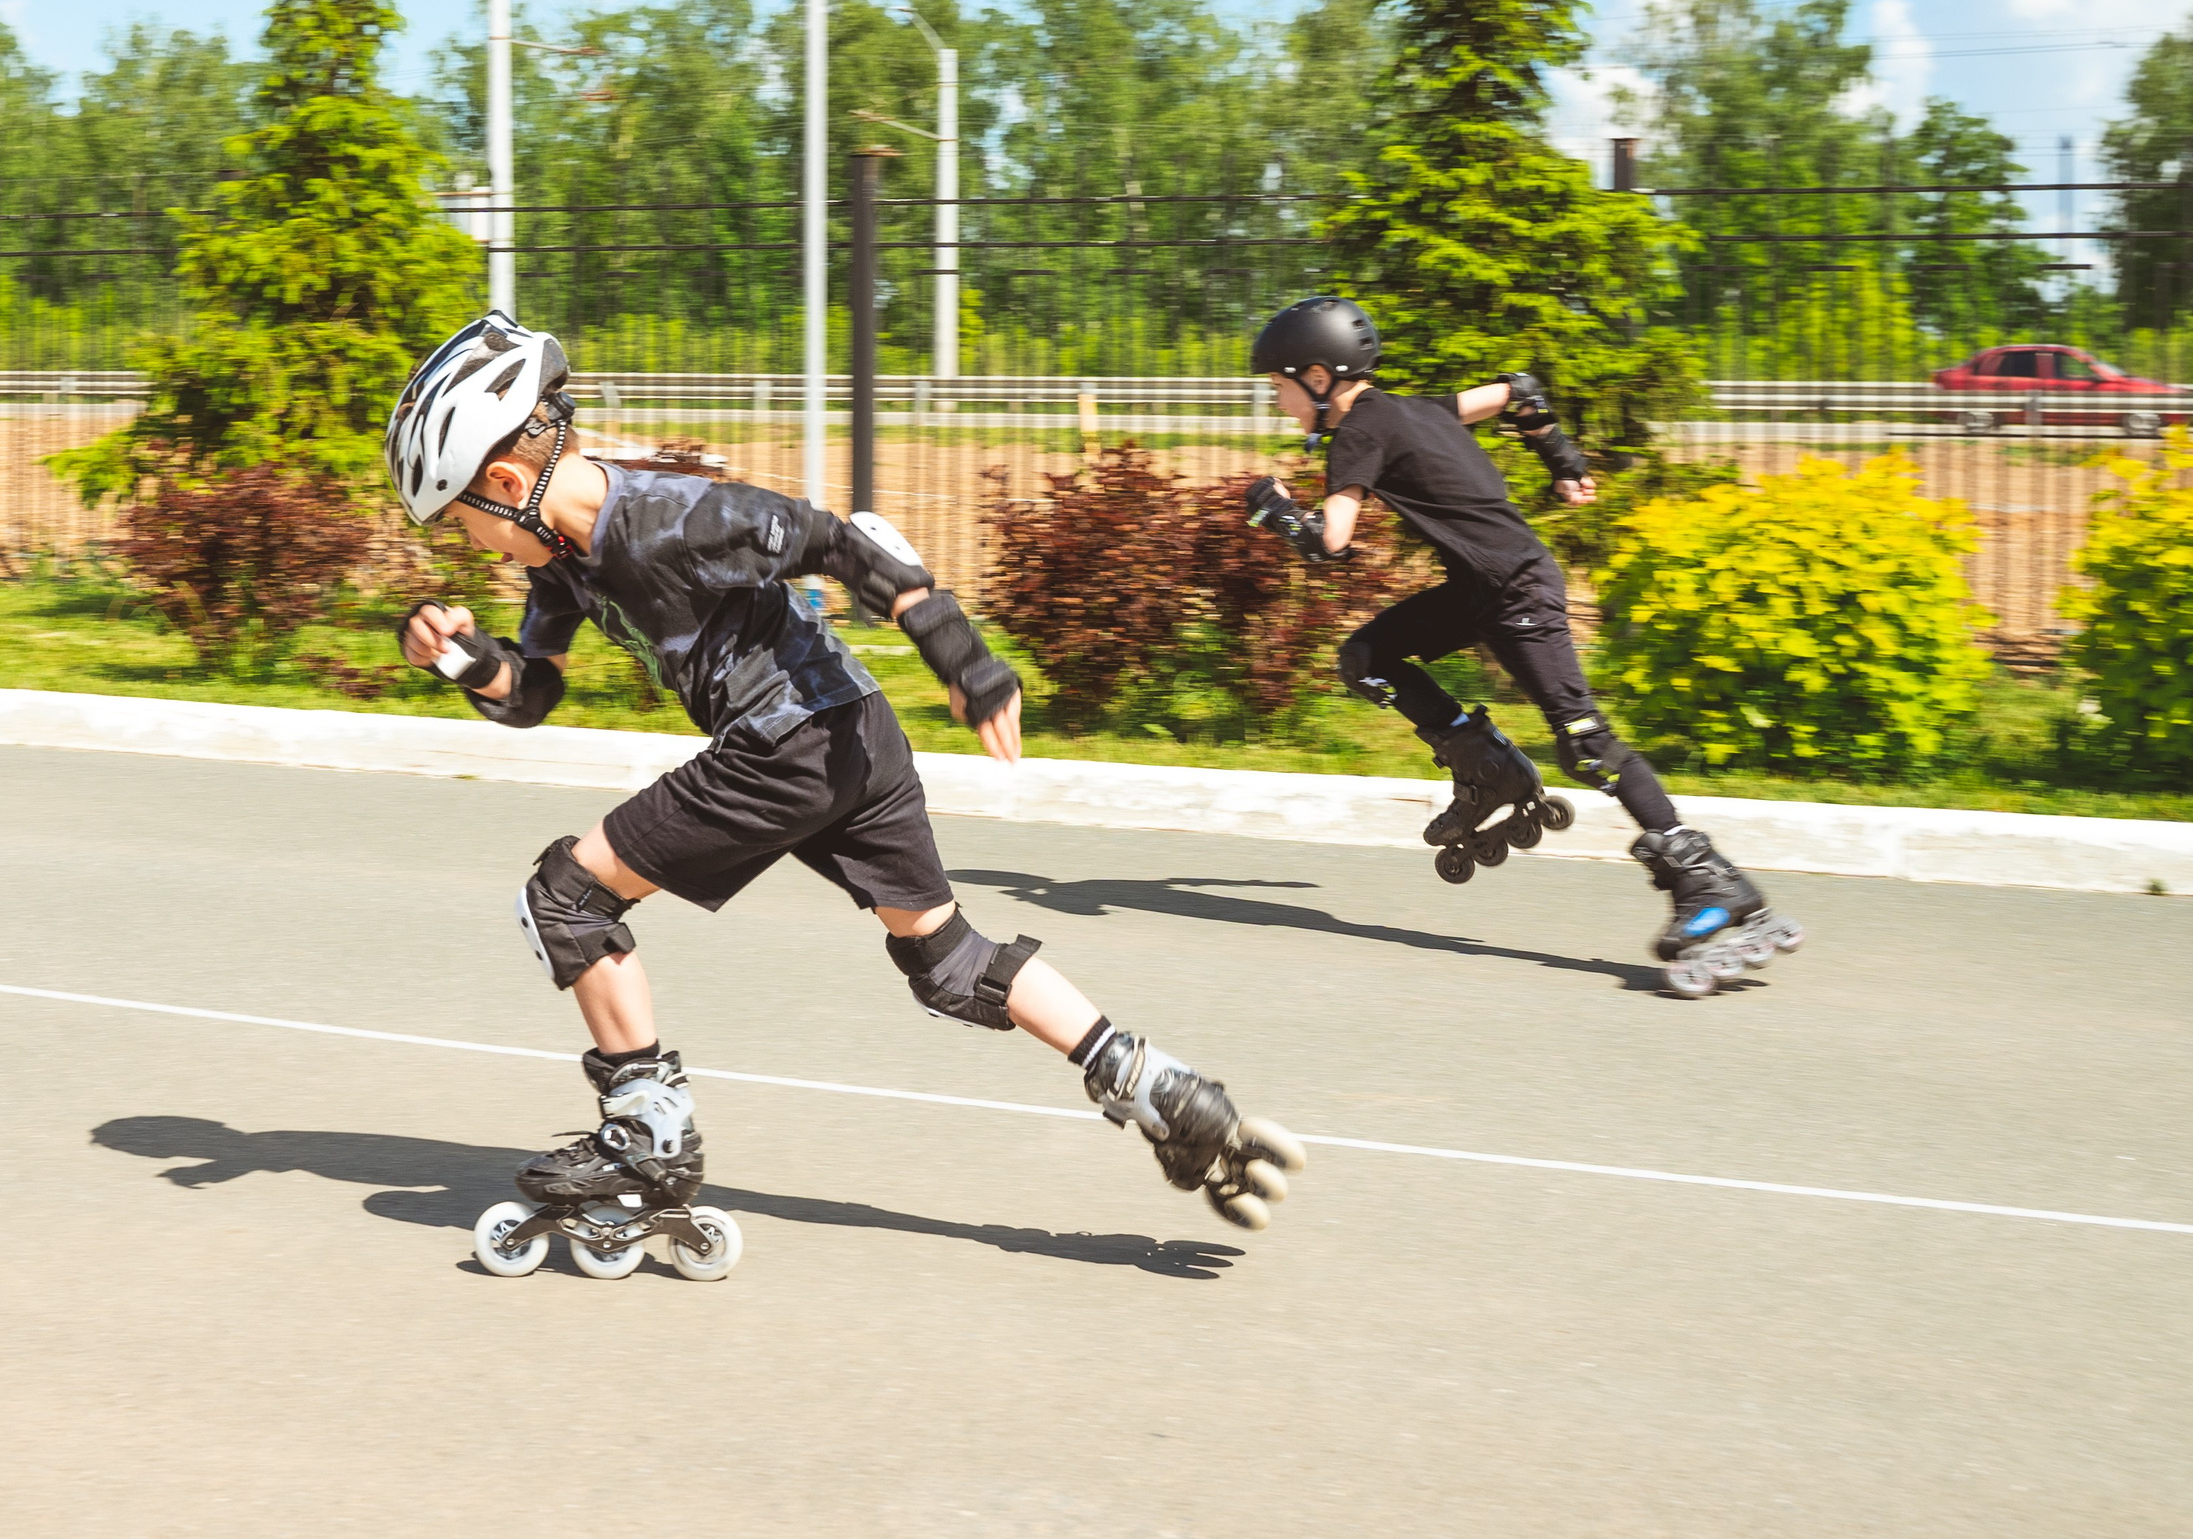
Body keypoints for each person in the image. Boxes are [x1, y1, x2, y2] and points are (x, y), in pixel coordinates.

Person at [381, 311, 1305, 1280]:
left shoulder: (664, 517)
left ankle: (647, 1136)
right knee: (946, 961)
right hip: (857, 737)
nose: (472, 543)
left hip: (787, 744)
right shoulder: (561, 566)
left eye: (462, 519)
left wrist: (964, 655)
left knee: (567, 897)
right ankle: (1162, 1091)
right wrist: (467, 661)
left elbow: (838, 541)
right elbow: (531, 697)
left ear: (506, 483)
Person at [1239, 296, 1803, 997]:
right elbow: (1519, 391)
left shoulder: (1358, 431)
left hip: (1516, 592)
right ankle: (1491, 771)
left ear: (1320, 377)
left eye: (1280, 385)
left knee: (1585, 740)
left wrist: (1276, 512)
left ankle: (1709, 881)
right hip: (1481, 588)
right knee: (1367, 657)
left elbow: (1333, 543)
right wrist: (1561, 458)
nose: (1277, 399)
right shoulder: (1417, 408)